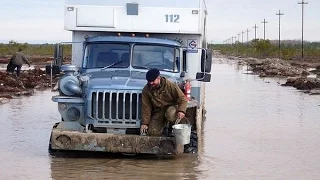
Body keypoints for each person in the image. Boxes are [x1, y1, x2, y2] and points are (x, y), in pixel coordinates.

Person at [140, 68, 188, 136]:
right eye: (149, 81)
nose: (151, 83)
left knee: (170, 114)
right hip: (159, 111)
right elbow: (146, 107)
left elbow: (182, 98)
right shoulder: (146, 90)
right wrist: (145, 123)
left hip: (172, 108)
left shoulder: (170, 85)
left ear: (158, 78)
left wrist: (181, 111)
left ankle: (177, 128)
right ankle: (163, 129)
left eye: (153, 81)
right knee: (152, 132)